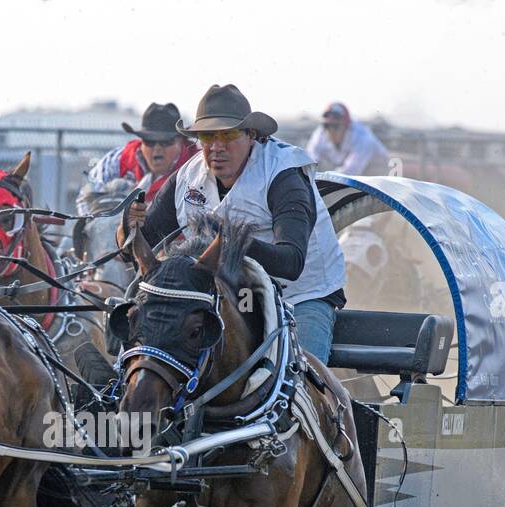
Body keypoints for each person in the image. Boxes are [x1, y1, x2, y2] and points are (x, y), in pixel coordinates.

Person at [119, 84, 347, 363]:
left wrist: (233, 243)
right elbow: (138, 247)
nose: (216, 147)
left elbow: (292, 262)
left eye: (227, 135)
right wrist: (128, 231)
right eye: (207, 136)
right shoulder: (186, 177)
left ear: (251, 135)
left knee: (300, 373)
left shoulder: (284, 175)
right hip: (228, 296)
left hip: (301, 296)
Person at [87, 103, 197, 204]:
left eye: (165, 141)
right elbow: (87, 197)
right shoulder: (117, 159)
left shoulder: (197, 166)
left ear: (180, 140)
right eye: (149, 141)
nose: (157, 148)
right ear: (141, 141)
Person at [304, 102, 390, 176]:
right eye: (327, 126)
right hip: (356, 171)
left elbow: (350, 172)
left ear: (347, 126)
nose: (330, 130)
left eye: (335, 126)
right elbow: (309, 161)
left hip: (380, 173)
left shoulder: (362, 137)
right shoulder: (321, 132)